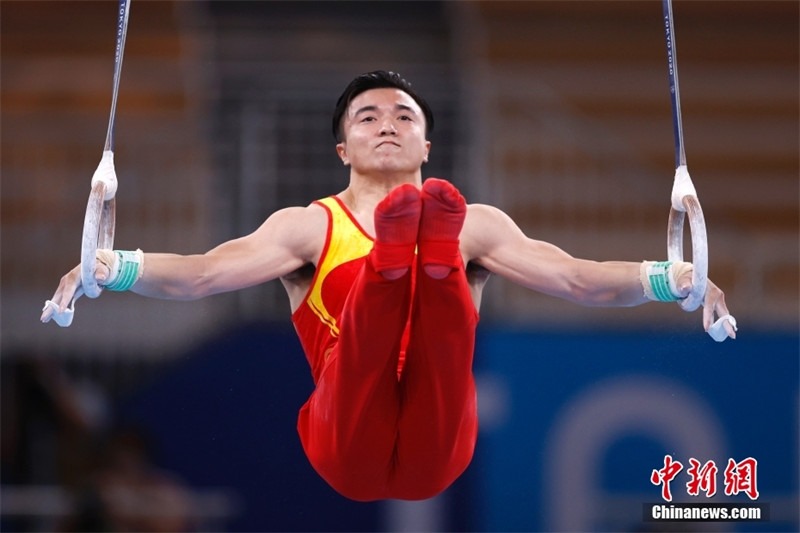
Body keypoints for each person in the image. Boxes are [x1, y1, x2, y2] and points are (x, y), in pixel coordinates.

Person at [42, 70, 736, 502]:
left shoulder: (479, 225)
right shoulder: (308, 227)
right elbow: (201, 275)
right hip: (343, 438)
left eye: (404, 116)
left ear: (427, 144)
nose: (388, 124)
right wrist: (110, 264)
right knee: (376, 328)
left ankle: (424, 262)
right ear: (342, 148)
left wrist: (674, 277)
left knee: (445, 330)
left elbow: (581, 281)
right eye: (368, 117)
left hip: (437, 442)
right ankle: (408, 262)